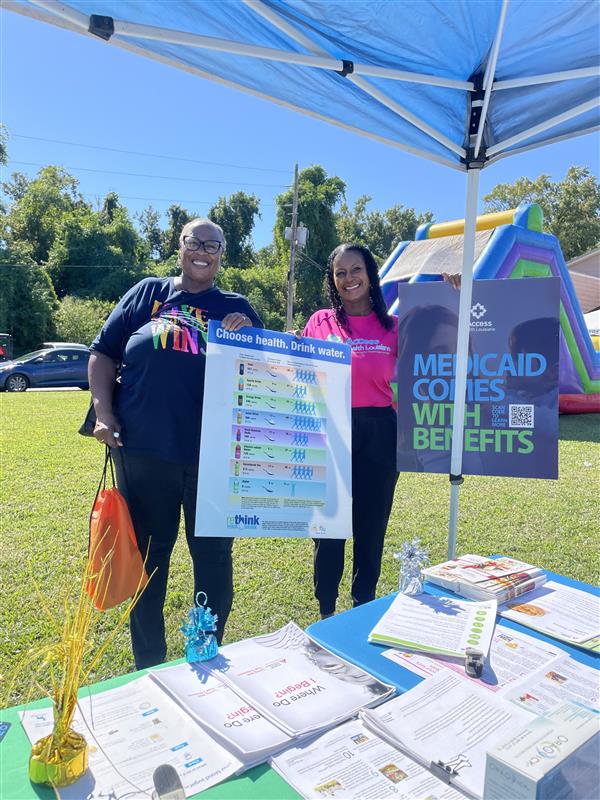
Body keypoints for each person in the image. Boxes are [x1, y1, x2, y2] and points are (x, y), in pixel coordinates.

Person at [89, 218, 263, 669]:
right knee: (148, 560)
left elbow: (267, 377)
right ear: (180, 246)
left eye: (213, 245)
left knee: (213, 558)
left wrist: (251, 339)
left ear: (222, 254)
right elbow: (102, 353)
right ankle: (148, 664)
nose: (202, 251)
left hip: (214, 460)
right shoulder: (147, 294)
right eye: (194, 242)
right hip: (144, 453)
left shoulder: (236, 308)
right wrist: (104, 413)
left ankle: (205, 651)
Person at [302, 243, 399, 618]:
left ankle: (362, 605)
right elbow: (298, 370)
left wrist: (455, 296)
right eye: (340, 273)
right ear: (332, 280)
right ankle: (326, 610)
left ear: (370, 274)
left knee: (371, 527)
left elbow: (440, 353)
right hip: (330, 431)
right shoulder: (320, 322)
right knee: (328, 529)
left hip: (381, 432)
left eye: (356, 269)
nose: (348, 278)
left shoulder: (393, 327)